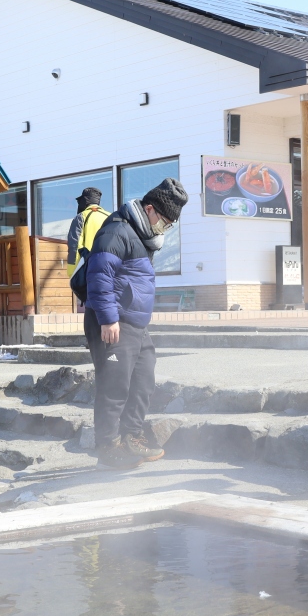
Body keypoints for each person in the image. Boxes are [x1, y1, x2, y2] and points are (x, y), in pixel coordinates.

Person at [84, 177, 188, 468]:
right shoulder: (117, 230)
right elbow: (99, 275)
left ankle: (132, 438)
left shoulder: (141, 236)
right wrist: (108, 319)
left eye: (170, 225)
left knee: (143, 381)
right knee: (114, 387)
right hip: (113, 321)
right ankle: (108, 448)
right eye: (164, 222)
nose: (164, 228)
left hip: (136, 325)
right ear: (150, 209)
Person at [65, 186, 107, 267]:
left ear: (84, 201)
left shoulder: (81, 217)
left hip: (88, 267)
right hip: (108, 268)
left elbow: (75, 246)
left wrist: (73, 272)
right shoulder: (109, 217)